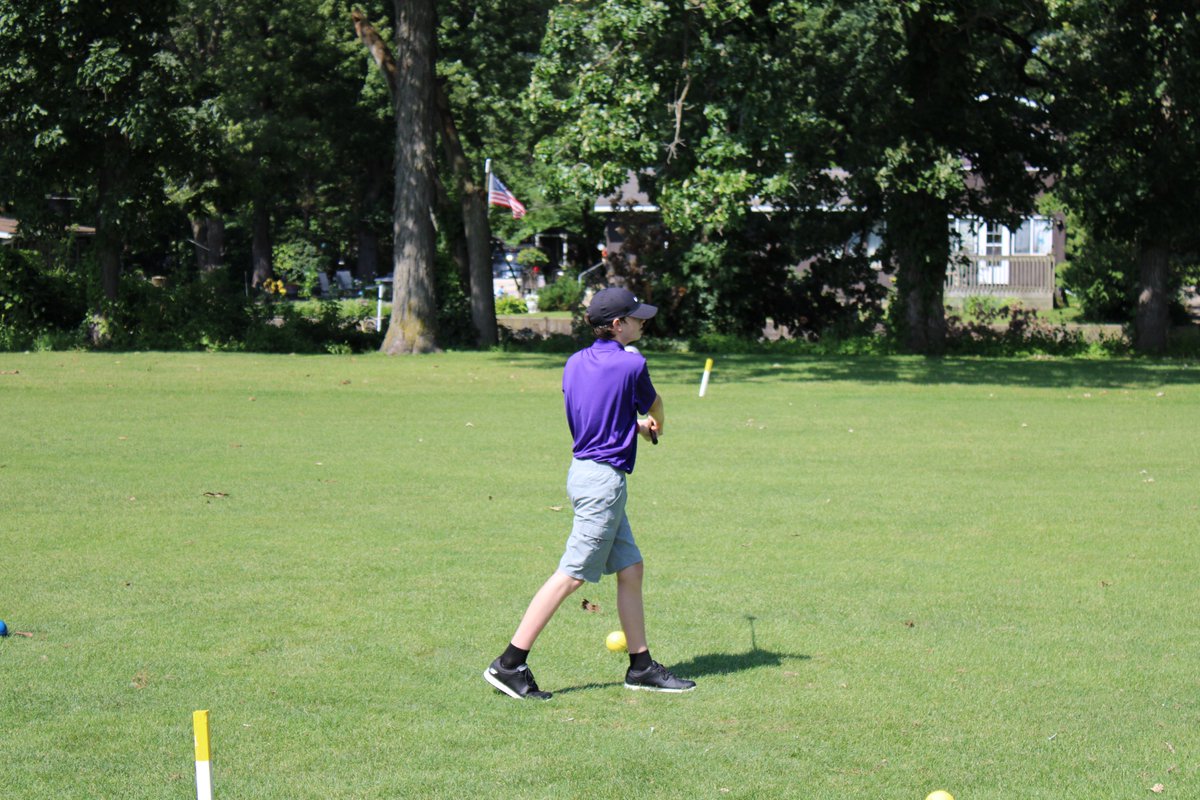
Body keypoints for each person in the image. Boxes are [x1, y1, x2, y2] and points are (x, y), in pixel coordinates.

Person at [483, 287, 696, 700]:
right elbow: (656, 407)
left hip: (584, 472)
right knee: (572, 573)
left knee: (630, 568)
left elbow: (598, 419)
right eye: (635, 318)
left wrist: (631, 428)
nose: (641, 322)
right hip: (603, 484)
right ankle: (509, 664)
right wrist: (655, 426)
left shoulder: (574, 362)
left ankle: (641, 666)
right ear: (617, 325)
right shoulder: (632, 365)